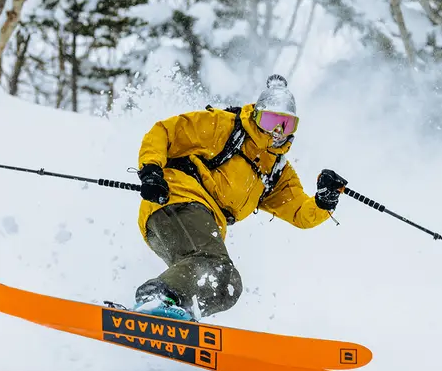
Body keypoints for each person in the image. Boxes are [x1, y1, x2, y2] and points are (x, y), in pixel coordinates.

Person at [134, 74, 347, 321]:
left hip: (197, 229)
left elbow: (301, 213)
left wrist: (325, 200)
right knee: (214, 264)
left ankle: (175, 313)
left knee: (227, 284)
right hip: (176, 201)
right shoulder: (224, 127)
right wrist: (150, 170)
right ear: (256, 115)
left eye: (286, 125)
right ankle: (155, 298)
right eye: (270, 121)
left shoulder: (276, 171)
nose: (277, 132)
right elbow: (165, 132)